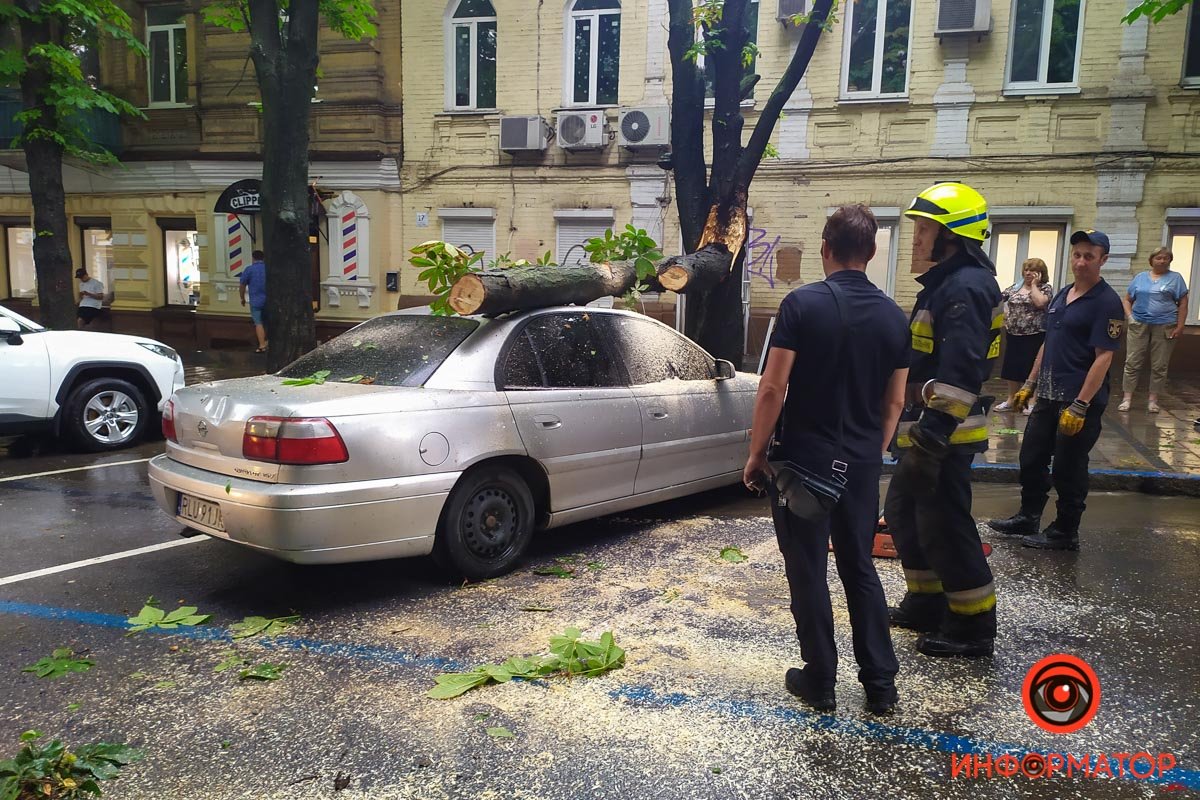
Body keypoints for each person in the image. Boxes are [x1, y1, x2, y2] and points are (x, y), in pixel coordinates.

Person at [743, 205, 909, 715]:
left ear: (824, 248)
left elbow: (772, 386)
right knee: (860, 566)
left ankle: (820, 678)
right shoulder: (893, 315)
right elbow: (896, 402)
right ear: (873, 252)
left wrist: (754, 455)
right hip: (860, 464)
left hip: (803, 465)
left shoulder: (800, 306)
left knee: (809, 570)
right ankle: (880, 684)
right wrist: (872, 451)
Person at [885, 182, 1002, 659]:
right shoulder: (947, 283)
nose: (916, 238)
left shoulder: (965, 289)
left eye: (924, 228)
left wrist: (932, 438)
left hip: (944, 435)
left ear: (952, 236)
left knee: (946, 525)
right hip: (924, 432)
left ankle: (973, 625)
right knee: (905, 517)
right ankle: (927, 601)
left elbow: (961, 373)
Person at [988, 230, 1126, 551]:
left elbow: (1104, 356)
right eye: (1076, 254)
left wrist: (1081, 405)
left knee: (1069, 467)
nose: (1080, 261)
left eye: (1088, 256)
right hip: (1048, 396)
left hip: (1078, 401)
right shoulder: (1063, 295)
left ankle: (1066, 531)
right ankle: (1028, 516)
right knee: (1031, 457)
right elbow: (1049, 342)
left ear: (1102, 260)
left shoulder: (1107, 303)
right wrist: (1029, 384)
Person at [1118, 247, 1189, 413]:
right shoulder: (1141, 278)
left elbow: (1183, 304)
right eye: (1159, 258)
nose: (1162, 261)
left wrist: (1180, 325)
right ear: (1152, 260)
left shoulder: (1176, 278)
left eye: (1166, 258)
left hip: (1165, 325)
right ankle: (1127, 398)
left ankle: (1153, 400)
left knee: (1160, 365)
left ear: (1170, 260)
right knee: (1132, 362)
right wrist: (1130, 317)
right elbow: (1127, 300)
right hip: (1139, 324)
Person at [994, 258, 1051, 415]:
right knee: (1011, 367)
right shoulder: (1015, 287)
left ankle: (1031, 401)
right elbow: (998, 298)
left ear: (1040, 273)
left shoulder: (1045, 288)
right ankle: (1011, 399)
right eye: (1026, 269)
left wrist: (1033, 285)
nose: (1028, 273)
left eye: (1032, 270)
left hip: (1034, 334)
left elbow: (1040, 303)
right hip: (1013, 334)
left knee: (1030, 368)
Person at [239, 249, 268, 352]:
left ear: (253, 258)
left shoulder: (249, 270)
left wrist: (242, 298)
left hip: (255, 301)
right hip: (268, 301)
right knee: (268, 322)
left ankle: (262, 345)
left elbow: (242, 285)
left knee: (258, 323)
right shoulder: (268, 269)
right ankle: (269, 342)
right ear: (263, 258)